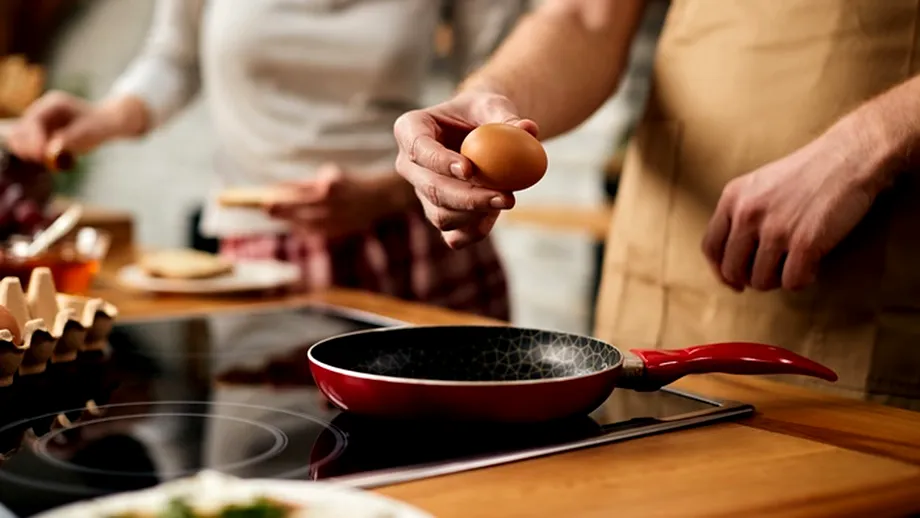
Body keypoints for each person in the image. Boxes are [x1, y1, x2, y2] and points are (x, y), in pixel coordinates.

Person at [392, 0, 920, 410]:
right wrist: (488, 102)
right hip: (669, 254)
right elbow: (586, 19)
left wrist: (868, 144)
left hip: (880, 274)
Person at [7, 0, 523, 321]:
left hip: (419, 236)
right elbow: (174, 58)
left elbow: (492, 79)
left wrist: (388, 189)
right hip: (262, 253)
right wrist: (104, 117)